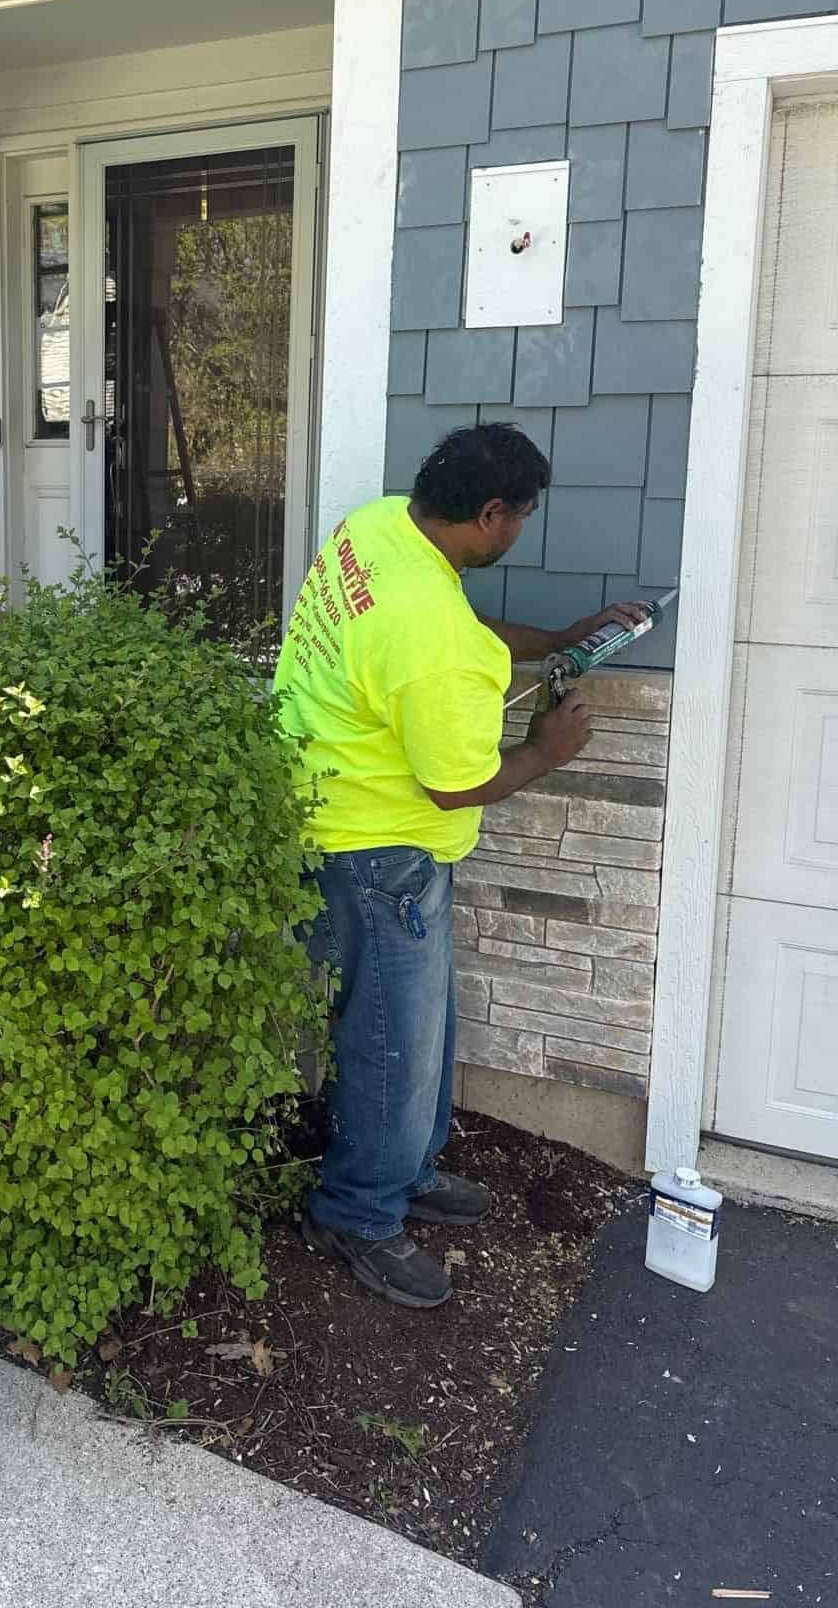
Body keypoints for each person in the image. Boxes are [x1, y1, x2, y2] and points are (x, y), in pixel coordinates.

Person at [275, 422, 650, 1311]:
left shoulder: (380, 531)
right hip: (375, 846)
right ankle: (357, 1211)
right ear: (490, 514)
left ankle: (404, 1168)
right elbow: (459, 786)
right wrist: (547, 750)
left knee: (420, 1022)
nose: (521, 528)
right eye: (520, 516)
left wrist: (557, 639)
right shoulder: (428, 636)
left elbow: (462, 629)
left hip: (339, 810)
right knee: (389, 1039)